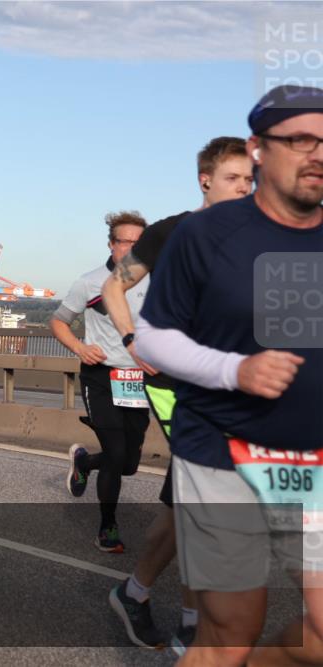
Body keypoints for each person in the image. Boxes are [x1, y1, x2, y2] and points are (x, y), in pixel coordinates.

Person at [136, 85, 323, 667]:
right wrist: (234, 370)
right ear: (258, 149)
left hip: (313, 459)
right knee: (231, 635)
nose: (318, 154)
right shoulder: (207, 234)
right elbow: (152, 336)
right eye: (300, 139)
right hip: (223, 452)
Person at [99, 137, 253, 653]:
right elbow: (113, 290)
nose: (245, 188)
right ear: (205, 180)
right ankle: (192, 624)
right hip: (172, 384)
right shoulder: (173, 231)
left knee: (182, 502)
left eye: (250, 179)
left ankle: (135, 592)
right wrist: (130, 340)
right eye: (234, 179)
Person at [51, 212, 150, 553]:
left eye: (140, 244)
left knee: (128, 464)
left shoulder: (157, 280)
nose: (133, 249)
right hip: (101, 377)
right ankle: (108, 527)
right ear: (111, 244)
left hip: (140, 380)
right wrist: (79, 346)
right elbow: (59, 321)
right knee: (115, 451)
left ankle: (83, 462)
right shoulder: (90, 282)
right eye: (126, 242)